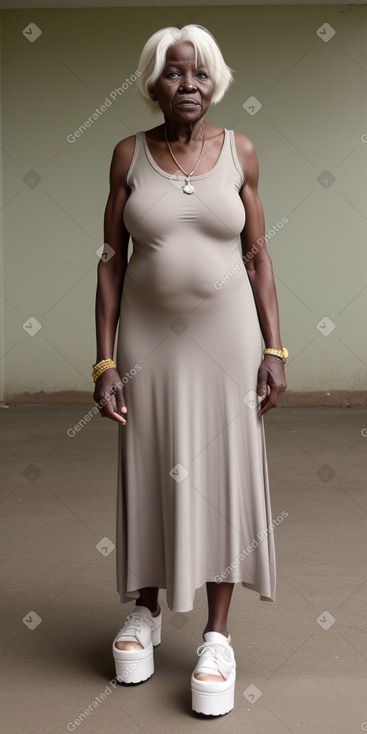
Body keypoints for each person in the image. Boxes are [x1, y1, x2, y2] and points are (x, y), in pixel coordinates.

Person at [93, 24, 287, 717]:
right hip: (146, 341)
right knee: (151, 468)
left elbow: (258, 255)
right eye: (176, 74)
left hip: (228, 340)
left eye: (201, 74)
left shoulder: (240, 152)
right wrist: (105, 358)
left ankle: (214, 635)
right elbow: (110, 262)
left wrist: (274, 348)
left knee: (223, 473)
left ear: (216, 83)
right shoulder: (127, 155)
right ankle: (144, 613)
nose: (189, 86)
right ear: (153, 82)